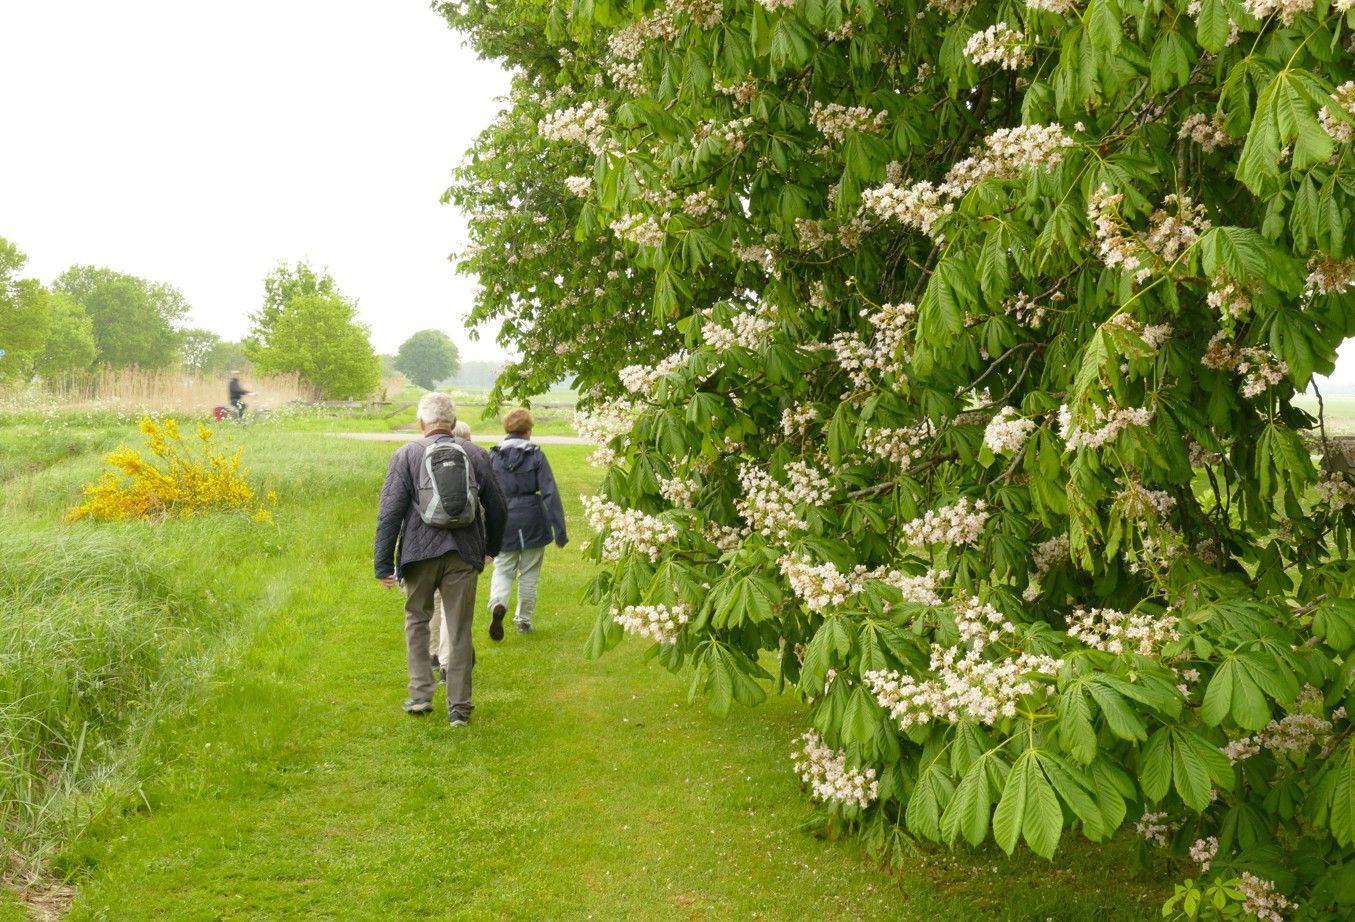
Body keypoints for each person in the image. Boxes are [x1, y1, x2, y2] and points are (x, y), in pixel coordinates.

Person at [374, 394, 506, 726]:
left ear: (422, 423)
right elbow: (498, 507)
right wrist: (491, 548)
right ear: (453, 422)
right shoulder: (475, 453)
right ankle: (459, 707)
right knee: (459, 628)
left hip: (418, 554)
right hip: (464, 553)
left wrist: (383, 564)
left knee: (417, 621)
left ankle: (420, 695)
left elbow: (389, 513)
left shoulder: (406, 454)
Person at [487, 408, 568, 635]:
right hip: (533, 519)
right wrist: (560, 531)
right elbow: (550, 493)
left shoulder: (493, 456)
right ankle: (523, 621)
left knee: (503, 569)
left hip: (504, 520)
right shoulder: (536, 456)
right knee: (530, 573)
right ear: (528, 430)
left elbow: (486, 494)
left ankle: (498, 603)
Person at [428, 420, 473, 681]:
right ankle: (447, 663)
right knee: (451, 609)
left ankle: (432, 653)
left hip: (429, 543)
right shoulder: (473, 459)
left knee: (433, 602)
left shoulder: (421, 455)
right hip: (462, 545)